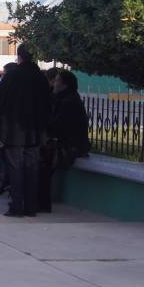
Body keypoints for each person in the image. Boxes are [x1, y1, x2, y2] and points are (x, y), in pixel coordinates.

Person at [0, 45, 51, 217]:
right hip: (35, 132)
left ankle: (17, 206)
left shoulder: (11, 76)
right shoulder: (40, 78)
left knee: (15, 169)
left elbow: (1, 103)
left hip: (13, 131)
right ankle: (31, 206)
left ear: (19, 56)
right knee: (32, 168)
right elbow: (47, 105)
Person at [38, 69, 91, 212]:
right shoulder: (63, 98)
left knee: (41, 163)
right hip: (65, 143)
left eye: (57, 81)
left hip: (70, 146)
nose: (54, 84)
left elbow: (57, 125)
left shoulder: (69, 102)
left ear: (64, 85)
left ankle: (41, 203)